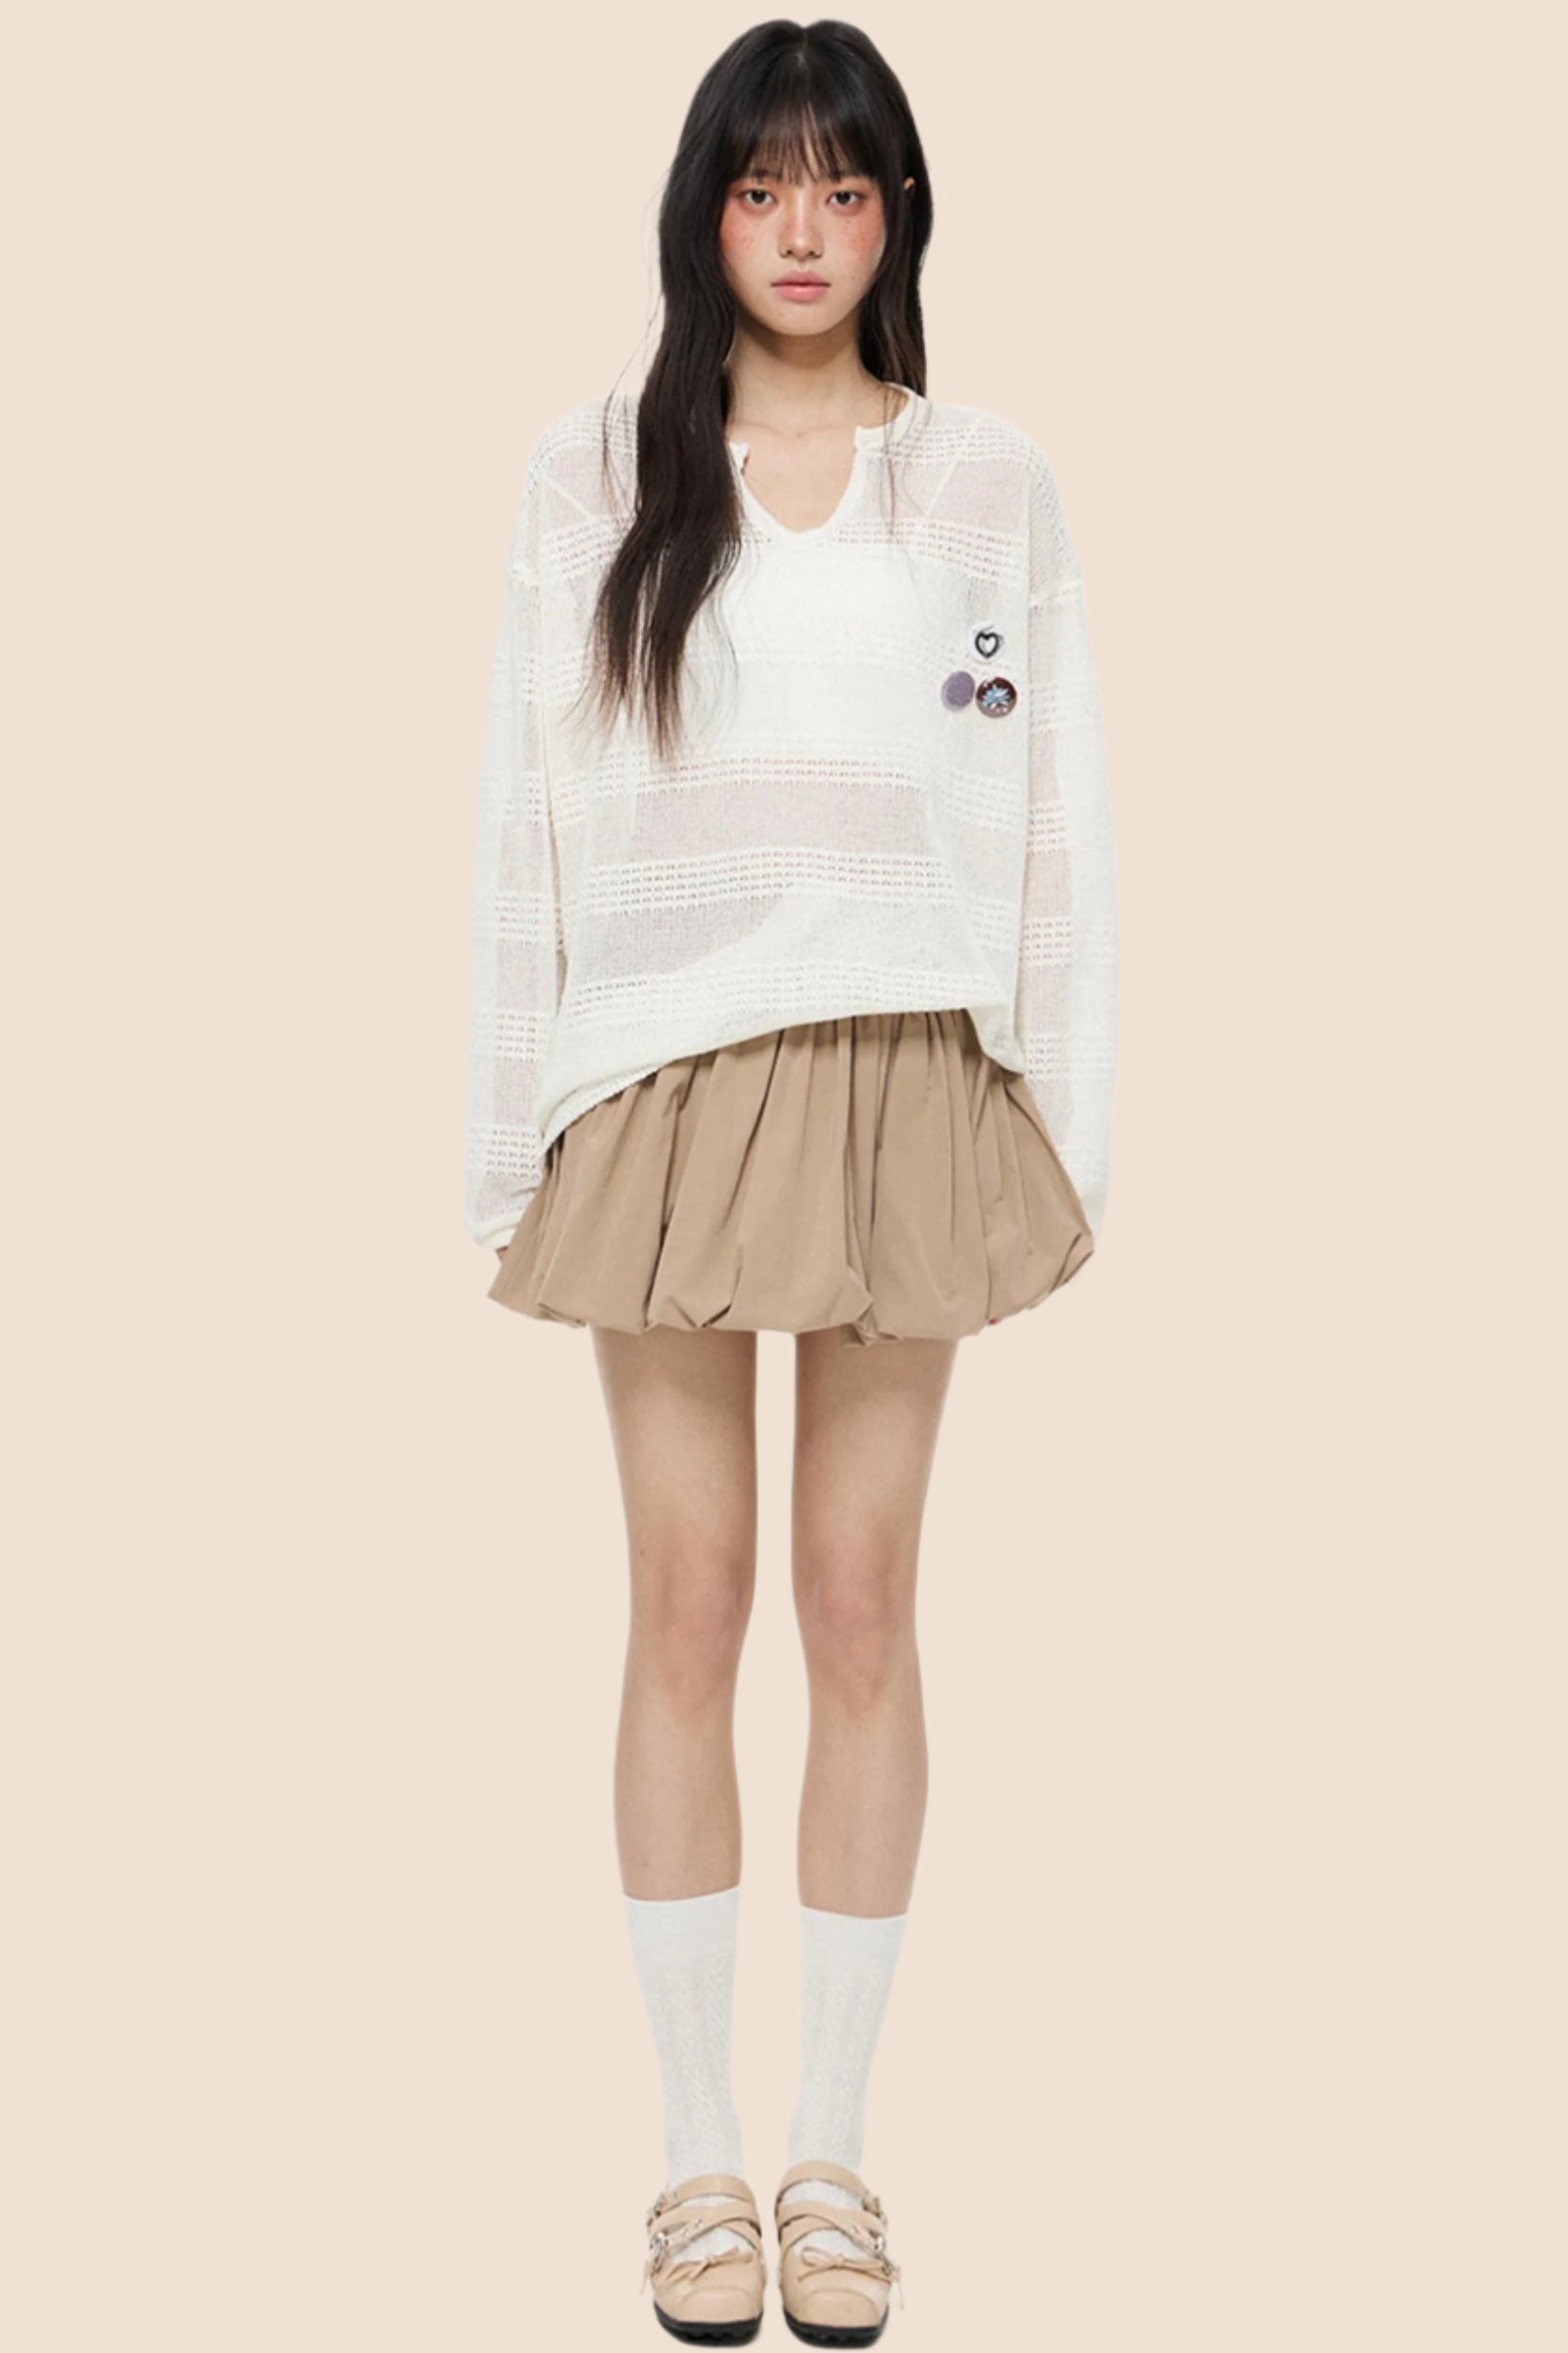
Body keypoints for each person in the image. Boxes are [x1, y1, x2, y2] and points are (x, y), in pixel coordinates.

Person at [463, 22, 1118, 2344]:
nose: (807, 230)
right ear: (705, 216)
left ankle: (831, 2151)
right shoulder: (593, 472)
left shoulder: (991, 484)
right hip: (659, 1070)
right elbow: (523, 805)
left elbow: (1053, 813)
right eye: (765, 189)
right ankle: (691, 2157)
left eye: (847, 187)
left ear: (900, 213)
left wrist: (1061, 1118)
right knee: (687, 1599)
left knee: (859, 1607)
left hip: (907, 1064)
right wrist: (509, 1123)